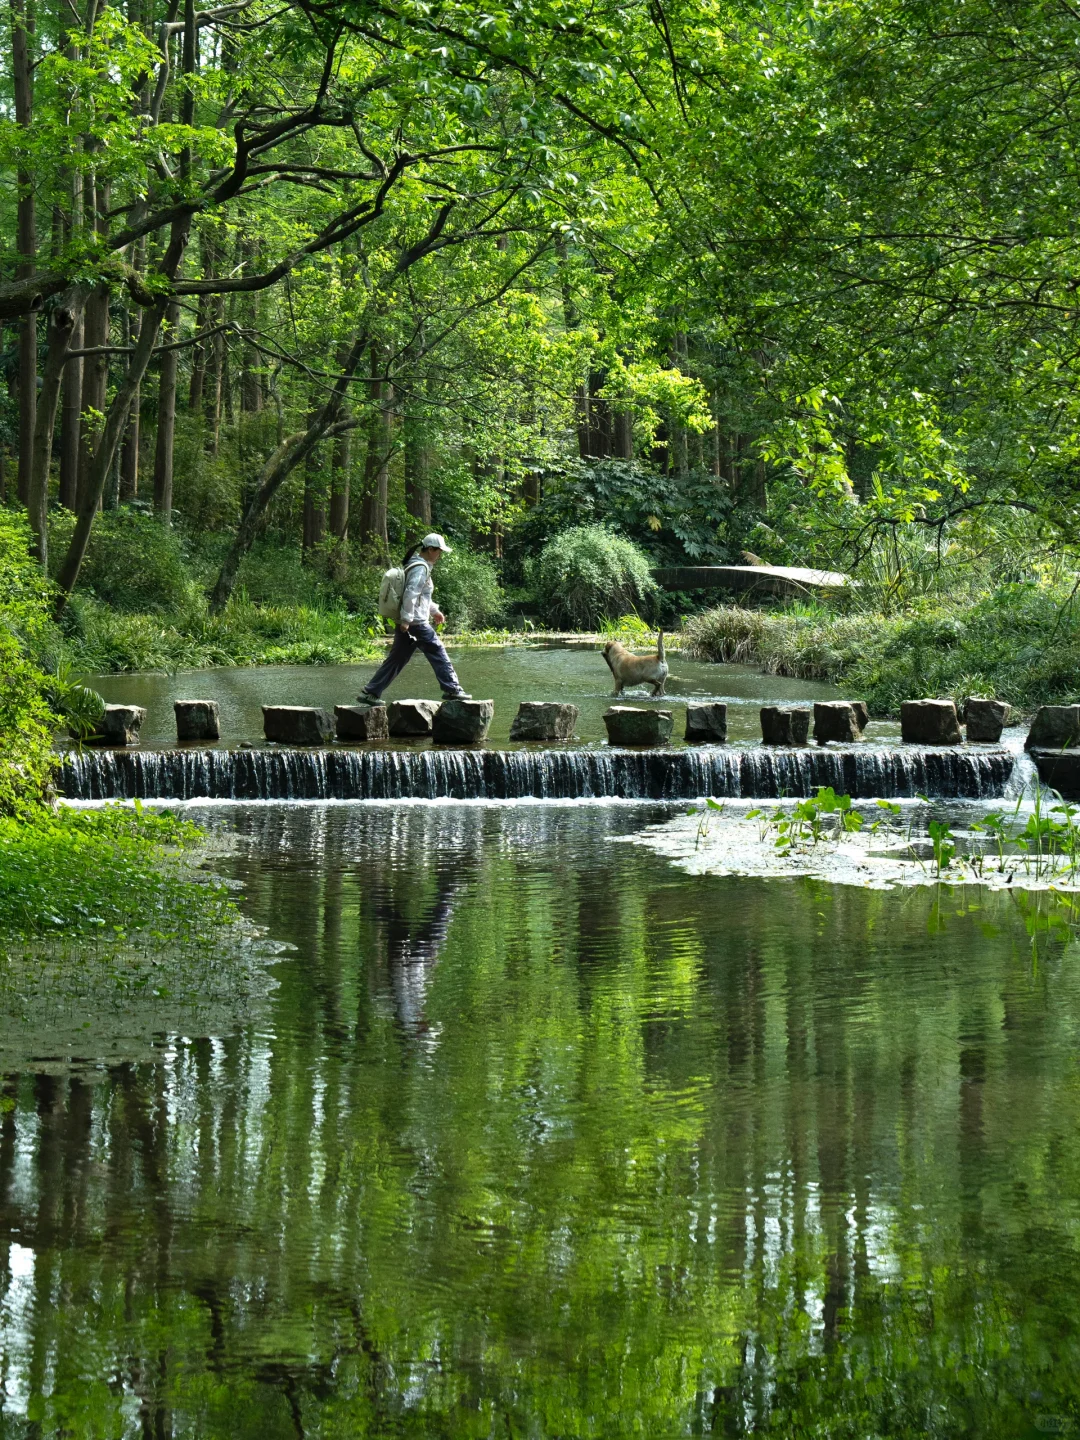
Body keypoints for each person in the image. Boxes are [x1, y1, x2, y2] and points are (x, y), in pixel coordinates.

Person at [357, 534, 471, 703]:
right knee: (437, 651)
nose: (440, 555)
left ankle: (370, 692)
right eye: (439, 551)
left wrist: (434, 611)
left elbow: (421, 597)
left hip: (410, 621)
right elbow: (411, 593)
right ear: (430, 550)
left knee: (397, 659)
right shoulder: (420, 567)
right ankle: (452, 689)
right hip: (416, 623)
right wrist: (406, 620)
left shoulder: (416, 565)